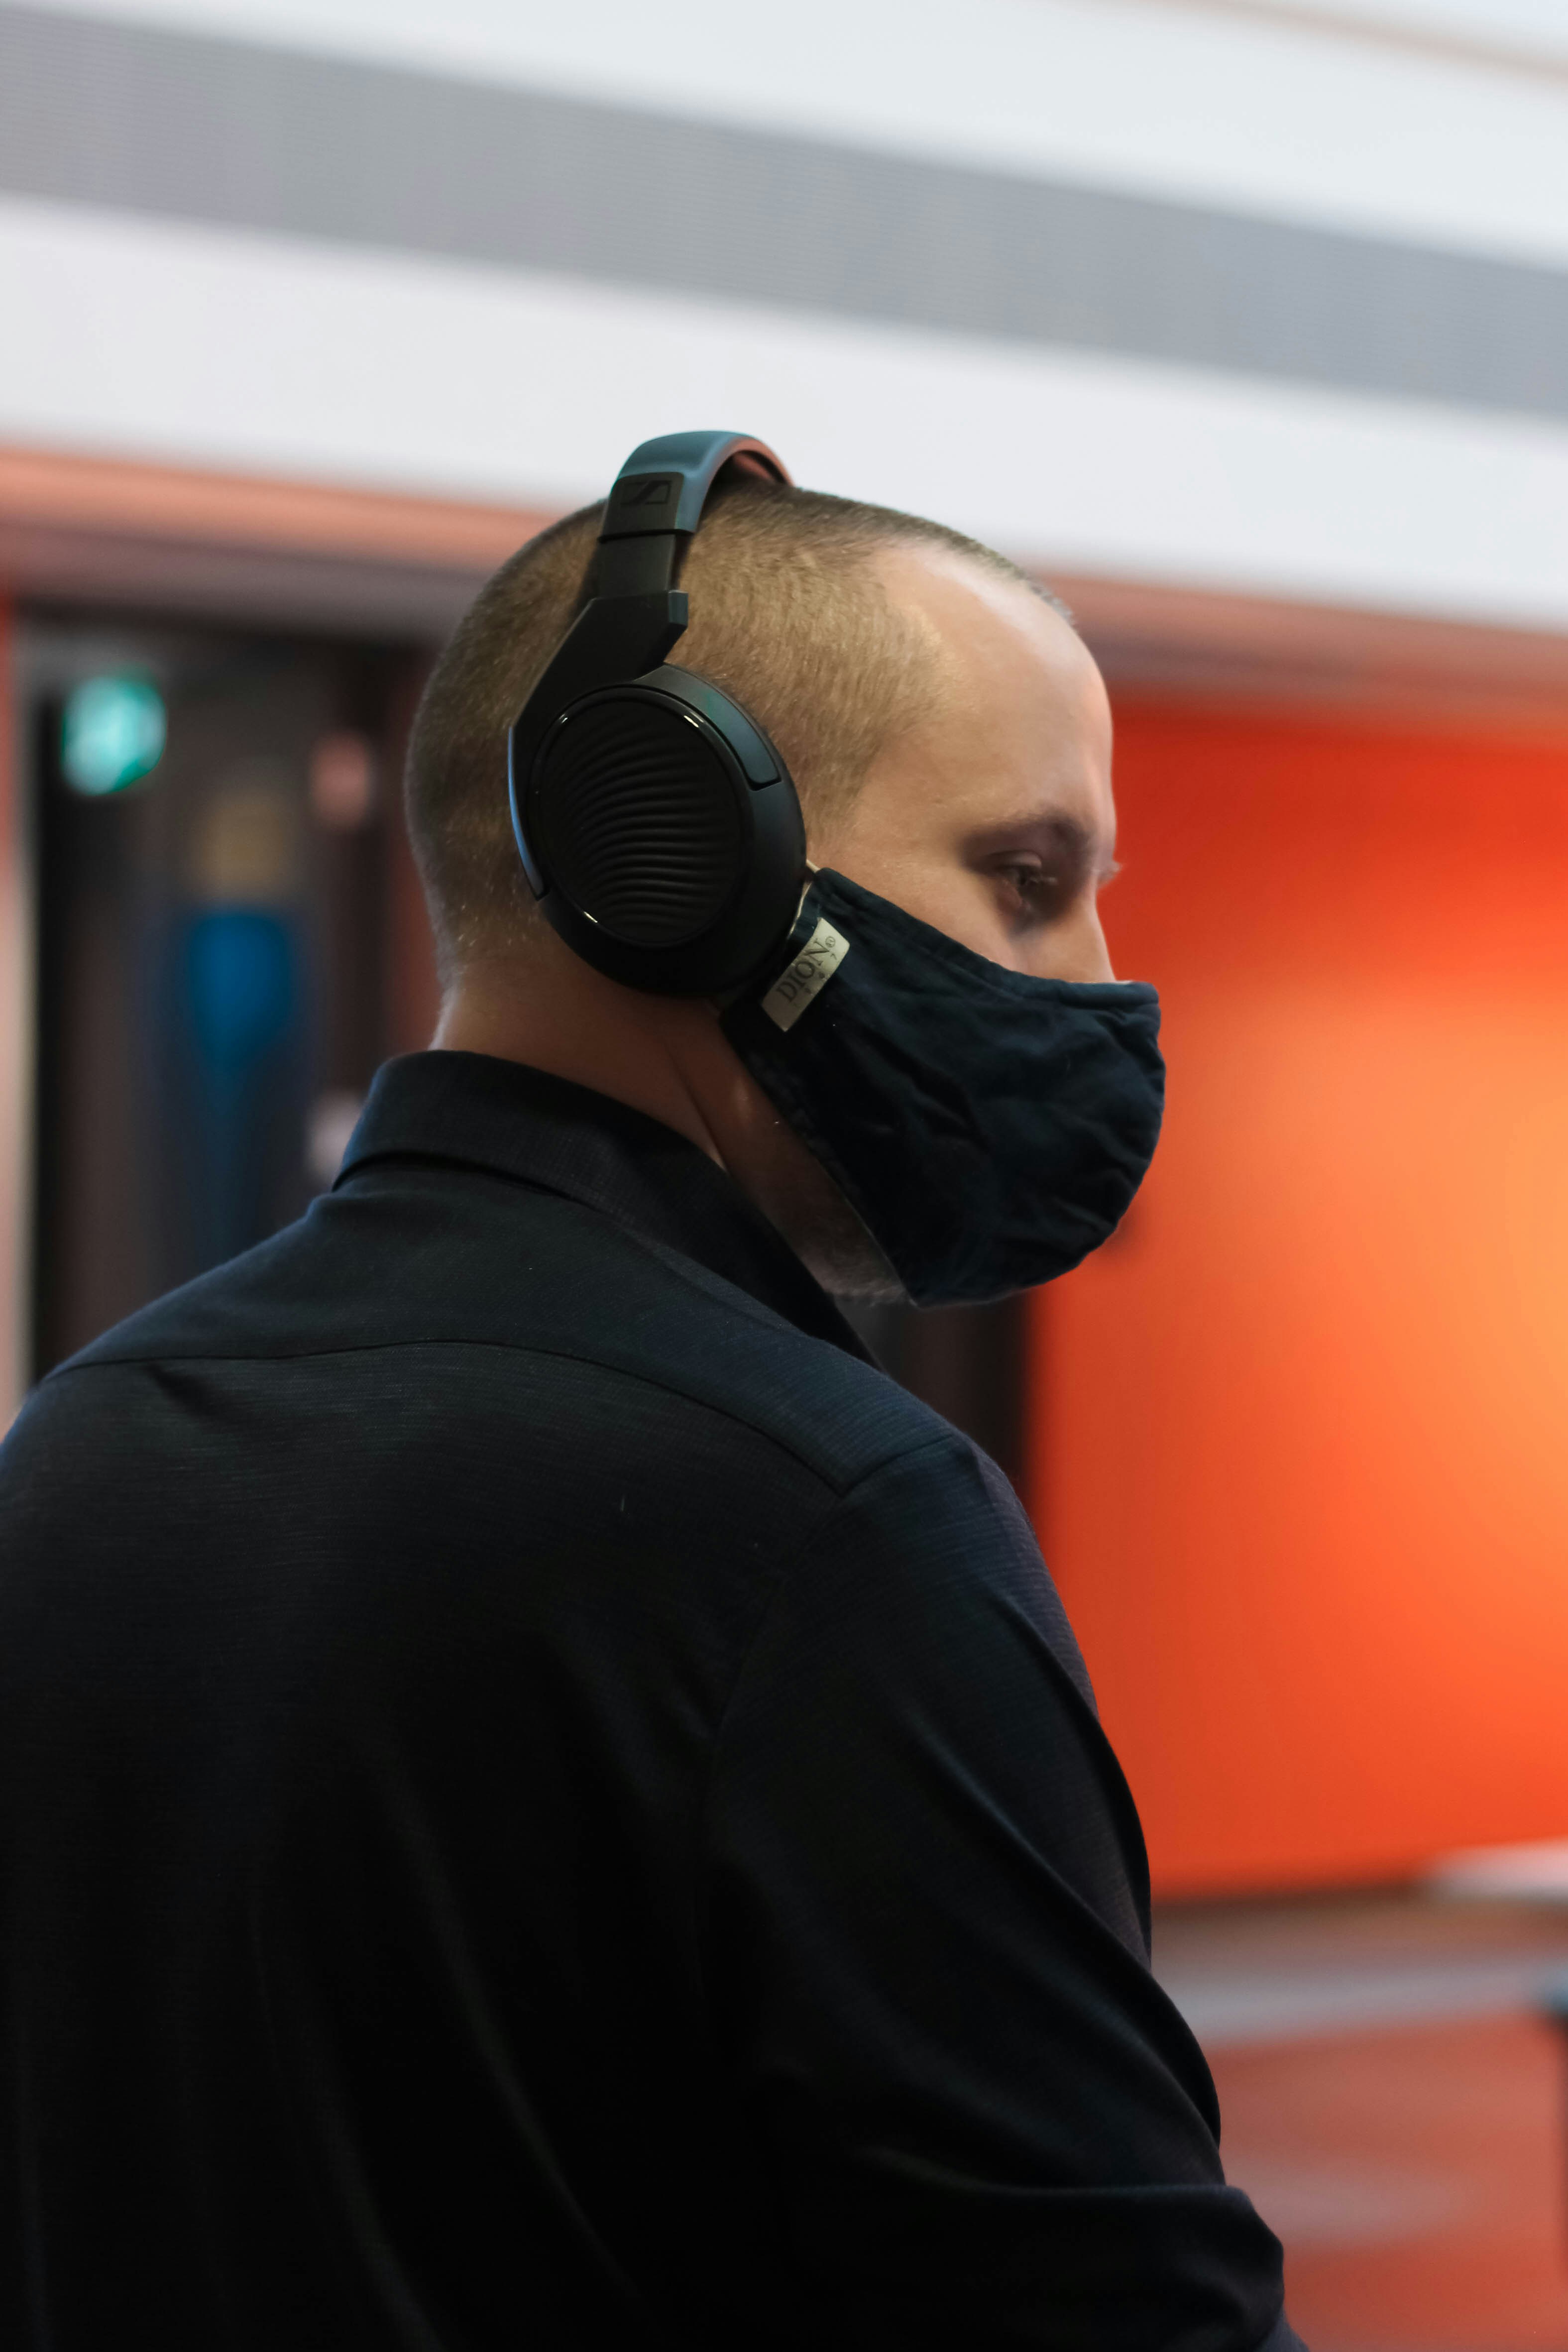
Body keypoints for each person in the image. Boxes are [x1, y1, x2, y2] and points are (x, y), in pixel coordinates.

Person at [0, 437, 1303, 2349]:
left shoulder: (82, 1443)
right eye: (1026, 880)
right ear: (670, 852)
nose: (1094, 986)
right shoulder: (824, 1525)